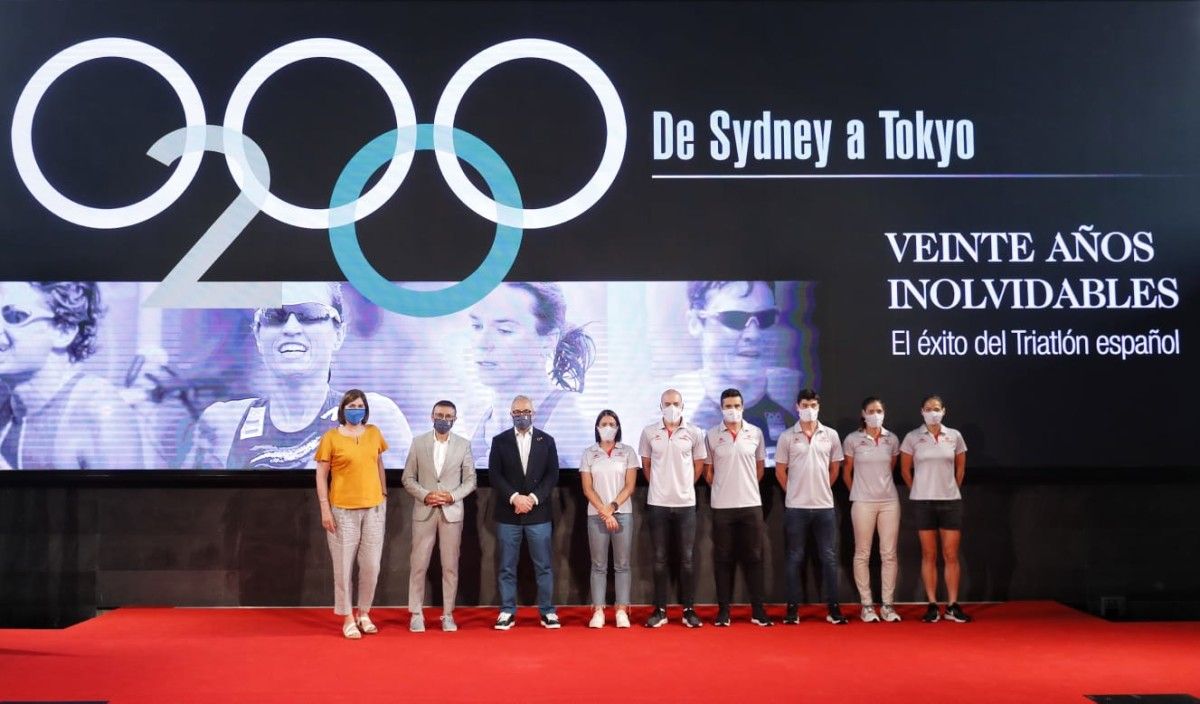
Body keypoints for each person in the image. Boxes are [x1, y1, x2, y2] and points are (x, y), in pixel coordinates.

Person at [184, 282, 412, 469]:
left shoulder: (375, 417)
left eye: (309, 314)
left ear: (338, 333)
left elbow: (405, 511)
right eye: (275, 315)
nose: (291, 328)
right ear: (257, 334)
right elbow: (187, 513)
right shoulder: (222, 423)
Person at [0, 281, 147, 469]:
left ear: (63, 331)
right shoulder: (6, 402)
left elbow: (127, 499)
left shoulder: (100, 413)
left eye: (15, 316)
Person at [468, 282, 594, 468]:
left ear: (548, 341)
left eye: (504, 330)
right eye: (477, 326)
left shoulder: (571, 423)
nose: (482, 342)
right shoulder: (477, 418)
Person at [675, 281, 799, 462]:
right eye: (735, 319)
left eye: (765, 318)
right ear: (695, 323)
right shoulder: (665, 407)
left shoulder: (797, 393)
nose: (753, 334)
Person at [315, 389, 389, 639]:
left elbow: (377, 462)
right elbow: (321, 475)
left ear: (365, 409)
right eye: (351, 405)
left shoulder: (374, 432)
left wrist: (384, 493)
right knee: (343, 567)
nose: (355, 409)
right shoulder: (331, 437)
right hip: (342, 510)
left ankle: (364, 613)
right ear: (343, 409)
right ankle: (347, 617)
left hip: (374, 508)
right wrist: (325, 508)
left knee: (371, 565)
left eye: (359, 405)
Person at [401, 400, 476, 633]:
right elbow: (407, 478)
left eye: (448, 416)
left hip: (451, 514)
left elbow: (471, 480)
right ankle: (416, 613)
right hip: (424, 512)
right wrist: (426, 495)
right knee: (418, 564)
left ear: (455, 419)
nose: (443, 419)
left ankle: (447, 614)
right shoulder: (418, 442)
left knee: (450, 566)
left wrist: (452, 497)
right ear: (431, 416)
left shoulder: (463, 445)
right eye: (439, 415)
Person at [775, 388, 847, 625]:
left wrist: (823, 488)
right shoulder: (787, 436)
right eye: (804, 405)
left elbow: (835, 468)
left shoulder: (831, 435)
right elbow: (780, 471)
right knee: (795, 558)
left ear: (819, 406)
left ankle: (833, 607)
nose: (809, 409)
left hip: (825, 507)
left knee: (828, 557)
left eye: (813, 405)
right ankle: (793, 609)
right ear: (797, 407)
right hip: (796, 508)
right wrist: (794, 492)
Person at [490, 395, 560, 630]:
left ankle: (547, 611)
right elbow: (495, 475)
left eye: (526, 411)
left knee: (544, 566)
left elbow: (552, 475)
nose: (522, 415)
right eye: (517, 411)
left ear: (533, 412)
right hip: (508, 514)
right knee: (506, 566)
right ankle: (507, 611)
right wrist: (514, 498)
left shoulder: (546, 440)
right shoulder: (499, 441)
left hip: (538, 514)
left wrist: (531, 499)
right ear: (511, 414)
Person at [704, 388, 773, 627]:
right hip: (722, 507)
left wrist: (745, 485)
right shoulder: (712, 435)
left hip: (751, 505)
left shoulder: (755, 433)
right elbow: (708, 472)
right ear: (721, 408)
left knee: (754, 557)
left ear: (743, 407)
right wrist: (724, 487)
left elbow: (760, 468)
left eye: (736, 406)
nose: (732, 410)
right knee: (723, 559)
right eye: (727, 406)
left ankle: (758, 610)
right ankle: (724, 611)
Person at [639, 388, 707, 628]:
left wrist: (685, 485)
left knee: (687, 559)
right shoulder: (649, 432)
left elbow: (699, 464)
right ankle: (660, 610)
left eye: (675, 403)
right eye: (667, 403)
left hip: (686, 504)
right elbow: (646, 466)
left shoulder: (695, 432)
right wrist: (660, 486)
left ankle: (688, 610)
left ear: (683, 405)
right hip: (657, 504)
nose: (671, 407)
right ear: (660, 406)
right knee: (659, 559)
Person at [900, 394, 970, 623]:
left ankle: (952, 605)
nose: (933, 412)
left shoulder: (955, 437)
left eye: (937, 408)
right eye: (928, 408)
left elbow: (960, 468)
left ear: (944, 411)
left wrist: (951, 489)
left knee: (950, 555)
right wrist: (919, 490)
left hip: (950, 502)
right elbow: (905, 471)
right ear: (922, 411)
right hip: (924, 503)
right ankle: (931, 604)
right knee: (929, 554)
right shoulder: (912, 438)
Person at [843, 396, 902, 623]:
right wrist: (857, 491)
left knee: (889, 554)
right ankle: (866, 605)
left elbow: (891, 468)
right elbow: (847, 471)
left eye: (879, 410)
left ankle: (887, 605)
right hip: (862, 502)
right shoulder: (852, 440)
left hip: (889, 502)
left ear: (884, 413)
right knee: (862, 553)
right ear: (863, 414)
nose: (875, 414)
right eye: (871, 410)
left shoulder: (892, 440)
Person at [579, 409, 638, 629]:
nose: (607, 427)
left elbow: (630, 485)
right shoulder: (589, 453)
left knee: (622, 565)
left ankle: (622, 609)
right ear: (597, 428)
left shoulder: (628, 452)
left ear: (618, 427)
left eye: (612, 423)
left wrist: (612, 508)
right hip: (596, 516)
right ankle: (598, 610)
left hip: (623, 514)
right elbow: (587, 488)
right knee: (598, 565)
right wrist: (604, 511)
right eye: (603, 423)